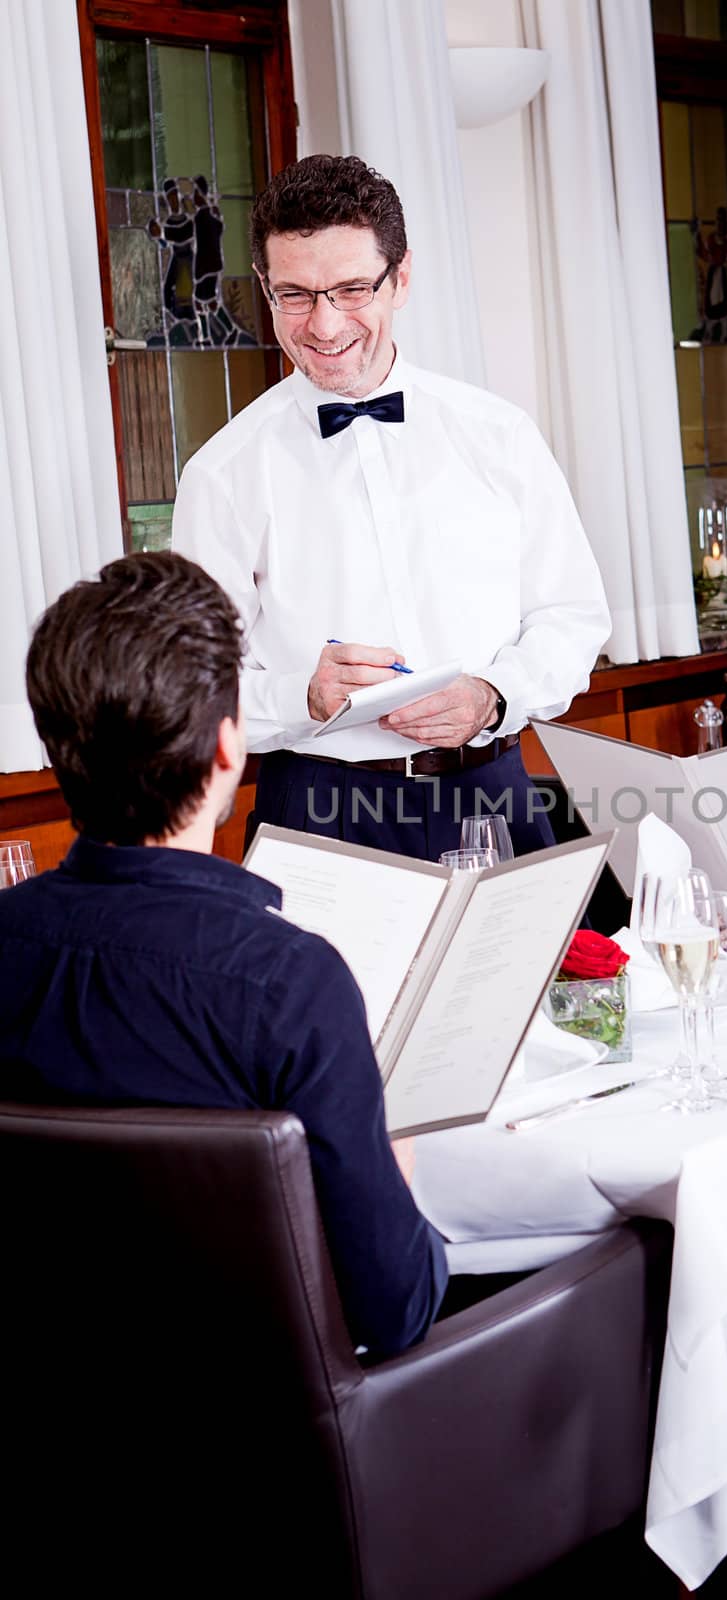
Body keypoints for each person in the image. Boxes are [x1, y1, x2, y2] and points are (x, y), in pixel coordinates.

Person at [0, 552, 447, 1357]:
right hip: (273, 1436)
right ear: (227, 748)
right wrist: (395, 1123)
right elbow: (393, 1311)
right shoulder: (290, 983)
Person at [171, 152, 610, 862]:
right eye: (294, 294)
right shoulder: (222, 474)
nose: (323, 324)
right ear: (264, 287)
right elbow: (191, 691)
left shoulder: (499, 435)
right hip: (317, 812)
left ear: (400, 278)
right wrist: (300, 698)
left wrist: (496, 696)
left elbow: (571, 617)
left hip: (494, 793)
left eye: (350, 290)